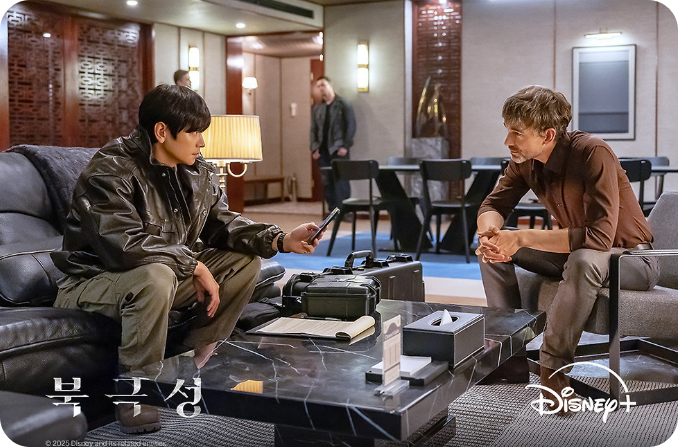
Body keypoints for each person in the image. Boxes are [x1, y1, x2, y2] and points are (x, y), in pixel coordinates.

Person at [51, 84, 324, 434]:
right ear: (161, 131)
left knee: (244, 263)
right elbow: (123, 244)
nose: (202, 142)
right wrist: (192, 265)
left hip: (159, 274)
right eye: (194, 132)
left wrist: (281, 238)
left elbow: (222, 224)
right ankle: (137, 393)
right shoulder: (111, 169)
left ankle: (197, 362)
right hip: (92, 281)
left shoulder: (197, 171)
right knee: (156, 276)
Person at [475, 85, 659, 402]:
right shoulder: (524, 161)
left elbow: (599, 237)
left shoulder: (592, 152)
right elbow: (493, 205)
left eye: (517, 133)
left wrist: (520, 236)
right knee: (491, 252)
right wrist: (491, 234)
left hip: (633, 261)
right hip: (579, 253)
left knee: (584, 259)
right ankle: (508, 359)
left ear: (547, 135)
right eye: (507, 131)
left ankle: (554, 371)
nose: (508, 141)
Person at [310, 76, 357, 212]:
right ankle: (332, 211)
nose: (321, 88)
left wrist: (345, 146)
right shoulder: (318, 108)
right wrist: (314, 148)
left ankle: (345, 211)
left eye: (323, 85)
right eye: (319, 86)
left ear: (330, 85)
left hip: (338, 148)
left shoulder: (343, 104)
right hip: (323, 150)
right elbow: (313, 129)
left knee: (342, 180)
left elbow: (351, 125)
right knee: (327, 181)